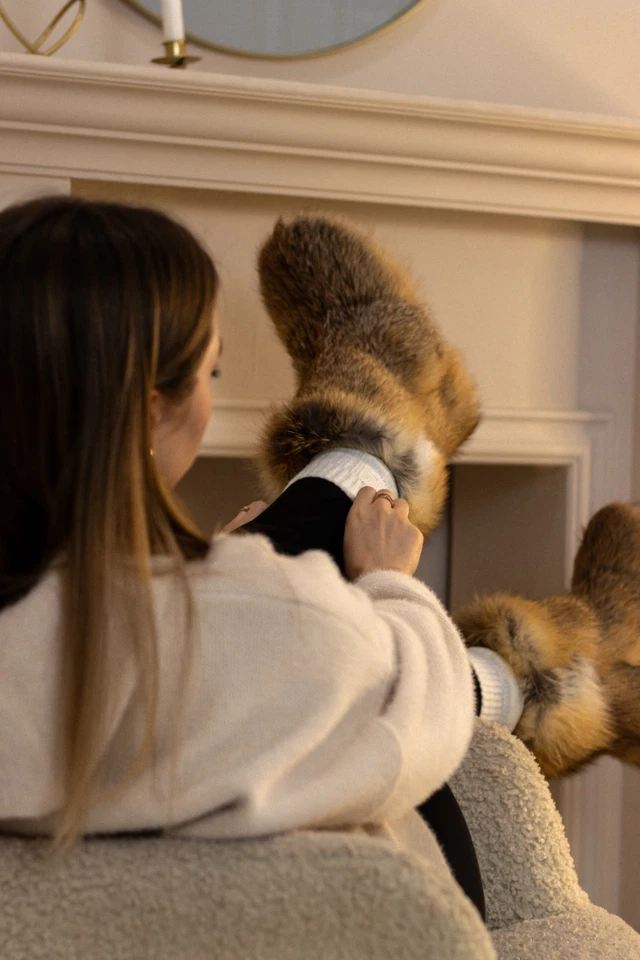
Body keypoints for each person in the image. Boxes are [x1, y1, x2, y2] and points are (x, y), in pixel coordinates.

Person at [0, 195, 521, 920]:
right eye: (210, 374)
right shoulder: (265, 613)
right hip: (410, 924)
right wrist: (382, 585)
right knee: (317, 536)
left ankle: (376, 436)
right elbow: (418, 710)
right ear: (152, 412)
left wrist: (222, 566)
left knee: (277, 539)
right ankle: (382, 441)